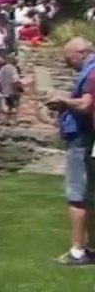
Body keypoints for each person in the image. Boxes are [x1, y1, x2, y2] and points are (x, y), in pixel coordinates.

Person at [45, 37, 95, 266]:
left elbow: (86, 104)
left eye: (68, 58)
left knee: (77, 194)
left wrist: (63, 100)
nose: (67, 63)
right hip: (87, 138)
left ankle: (77, 251)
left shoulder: (92, 72)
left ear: (81, 52)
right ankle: (91, 248)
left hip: (82, 138)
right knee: (90, 194)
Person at [0, 55, 21, 126]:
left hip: (4, 90)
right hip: (12, 90)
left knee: (6, 105)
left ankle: (5, 120)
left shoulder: (2, 69)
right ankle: (13, 121)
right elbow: (16, 80)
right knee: (14, 106)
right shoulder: (13, 69)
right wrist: (19, 88)